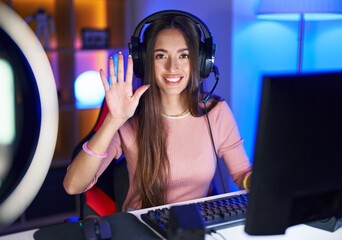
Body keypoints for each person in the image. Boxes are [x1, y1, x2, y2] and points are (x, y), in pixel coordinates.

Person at [63, 10, 252, 211]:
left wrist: (265, 182)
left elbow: (242, 175)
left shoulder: (216, 112)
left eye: (184, 55)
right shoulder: (130, 116)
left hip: (197, 227)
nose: (172, 67)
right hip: (142, 228)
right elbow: (73, 185)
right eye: (161, 56)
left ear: (200, 61)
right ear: (145, 62)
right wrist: (113, 120)